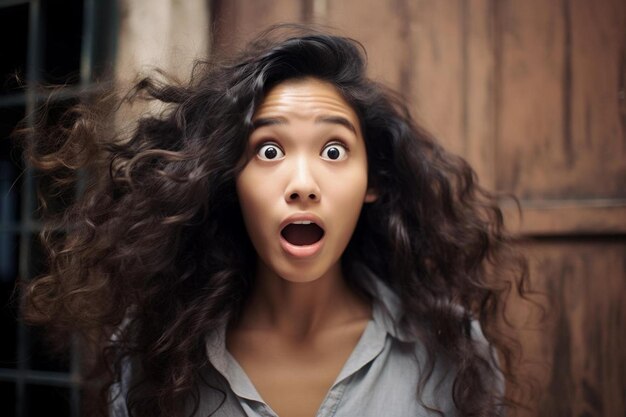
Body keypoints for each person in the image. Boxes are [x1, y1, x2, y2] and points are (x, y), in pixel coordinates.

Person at [22, 25, 531, 417]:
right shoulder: (152, 350)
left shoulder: (451, 349)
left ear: (372, 182)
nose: (303, 183)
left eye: (334, 150)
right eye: (269, 149)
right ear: (228, 178)